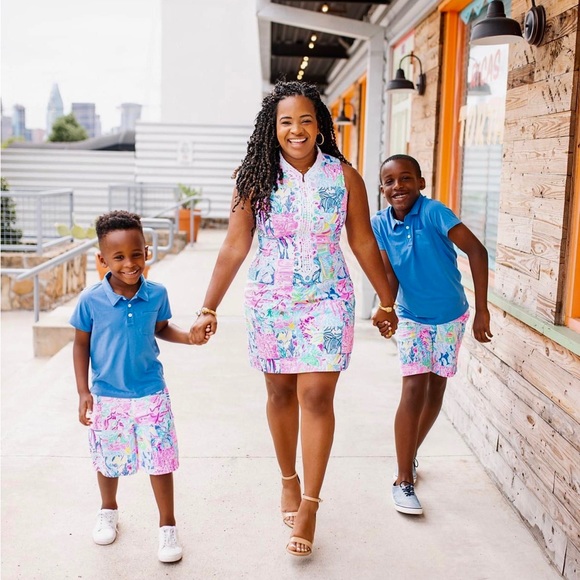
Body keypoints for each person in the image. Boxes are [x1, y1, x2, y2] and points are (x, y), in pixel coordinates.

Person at [189, 81, 398, 557]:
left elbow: (363, 242)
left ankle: (310, 503)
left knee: (316, 396)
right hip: (271, 301)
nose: (297, 130)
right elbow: (235, 245)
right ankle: (288, 478)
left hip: (329, 298)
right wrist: (208, 306)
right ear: (273, 128)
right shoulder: (254, 178)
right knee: (280, 393)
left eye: (306, 120)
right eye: (286, 121)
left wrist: (387, 301)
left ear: (320, 124)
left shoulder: (345, 178)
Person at [371, 154, 493, 516]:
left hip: (451, 316)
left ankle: (410, 453)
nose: (398, 186)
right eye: (390, 181)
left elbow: (477, 251)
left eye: (406, 178)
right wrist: (387, 307)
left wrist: (482, 310)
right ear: (382, 189)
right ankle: (403, 478)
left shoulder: (435, 212)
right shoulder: (380, 224)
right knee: (413, 388)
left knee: (436, 389)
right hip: (412, 317)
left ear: (421, 183)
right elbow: (389, 273)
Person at [70, 210, 195, 563]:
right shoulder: (90, 300)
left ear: (147, 252)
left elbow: (161, 328)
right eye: (119, 257)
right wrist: (83, 392)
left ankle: (167, 526)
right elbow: (80, 345)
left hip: (151, 393)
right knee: (108, 460)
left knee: (161, 460)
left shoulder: (157, 294)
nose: (129, 263)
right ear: (102, 260)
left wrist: (188, 337)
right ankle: (108, 510)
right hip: (108, 396)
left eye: (136, 254)